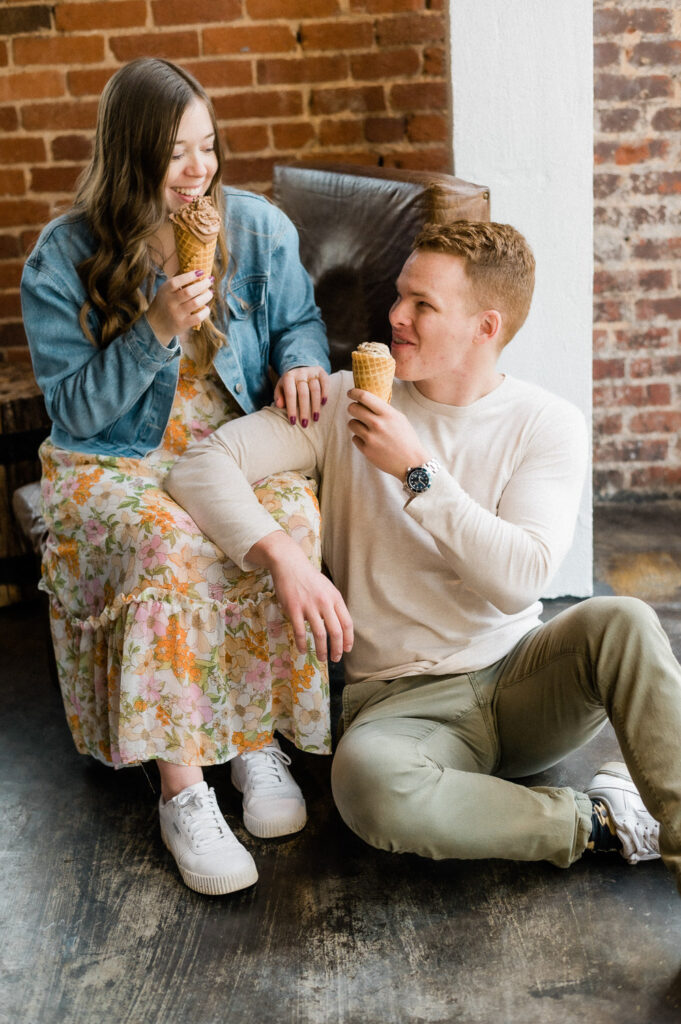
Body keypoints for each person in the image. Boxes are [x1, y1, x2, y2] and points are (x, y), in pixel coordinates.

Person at [167, 219, 681, 895]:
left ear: (484, 327)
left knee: (625, 622)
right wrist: (282, 557)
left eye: (422, 305)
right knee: (365, 783)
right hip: (400, 704)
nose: (395, 317)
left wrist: (416, 470)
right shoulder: (348, 401)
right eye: (400, 296)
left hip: (520, 678)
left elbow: (517, 579)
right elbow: (201, 464)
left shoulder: (544, 422)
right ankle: (597, 821)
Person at [20, 57, 333, 897]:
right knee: (165, 543)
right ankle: (184, 788)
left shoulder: (257, 229)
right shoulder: (63, 257)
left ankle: (254, 739)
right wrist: (154, 327)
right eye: (174, 156)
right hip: (115, 453)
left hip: (231, 437)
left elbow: (300, 318)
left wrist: (301, 363)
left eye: (208, 147)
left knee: (291, 520)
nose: (200, 172)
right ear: (128, 160)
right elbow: (77, 412)